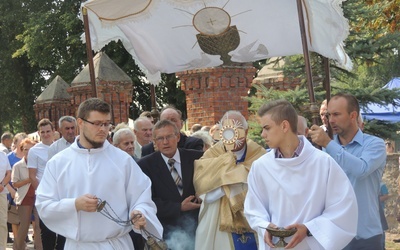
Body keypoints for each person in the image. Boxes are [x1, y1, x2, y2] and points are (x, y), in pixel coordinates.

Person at [35, 98, 163, 249]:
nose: (103, 129)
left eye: (106, 123)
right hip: (78, 246)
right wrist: (74, 204)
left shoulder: (123, 161)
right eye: (97, 124)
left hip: (117, 244)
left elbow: (142, 196)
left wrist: (140, 212)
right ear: (80, 123)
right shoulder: (58, 163)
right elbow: (44, 205)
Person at [244, 99, 358, 250]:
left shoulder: (323, 163)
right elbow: (253, 209)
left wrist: (309, 229)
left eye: (267, 128)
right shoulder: (261, 166)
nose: (263, 134)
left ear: (284, 126)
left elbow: (343, 208)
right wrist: (264, 226)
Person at [309, 93, 386, 250]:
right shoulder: (325, 150)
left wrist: (329, 144)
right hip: (335, 236)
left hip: (367, 238)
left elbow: (361, 169)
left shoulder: (374, 145)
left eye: (336, 114)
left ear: (353, 115)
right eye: (329, 115)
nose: (331, 120)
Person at [193, 110, 266, 250]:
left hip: (254, 218)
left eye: (236, 129)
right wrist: (230, 183)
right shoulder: (212, 155)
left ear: (246, 130)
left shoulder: (259, 154)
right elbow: (205, 194)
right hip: (218, 221)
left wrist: (236, 178)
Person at [138, 119, 203, 249]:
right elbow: (147, 201)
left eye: (169, 137)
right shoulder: (145, 165)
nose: (165, 142)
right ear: (154, 142)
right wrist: (178, 207)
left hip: (198, 230)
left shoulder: (197, 158)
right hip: (166, 234)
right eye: (160, 138)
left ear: (178, 136)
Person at [27, 118, 56, 250]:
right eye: (43, 132)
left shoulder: (59, 147)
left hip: (61, 193)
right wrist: (42, 192)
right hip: (44, 195)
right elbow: (32, 175)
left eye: (48, 131)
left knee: (63, 230)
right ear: (39, 133)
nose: (46, 134)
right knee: (46, 230)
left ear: (53, 131)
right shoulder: (34, 151)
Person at [12, 138, 42, 250]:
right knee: (24, 226)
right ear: (22, 150)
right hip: (24, 198)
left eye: (31, 149)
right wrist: (29, 179)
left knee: (39, 227)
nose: (28, 152)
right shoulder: (17, 166)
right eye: (26, 149)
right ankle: (18, 248)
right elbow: (15, 184)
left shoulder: (40, 163)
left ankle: (39, 248)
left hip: (38, 197)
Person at [0, 151, 11, 249]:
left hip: (1, 192)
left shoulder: (3, 155)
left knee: (2, 222)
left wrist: (2, 185)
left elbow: (9, 173)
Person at [379, 181, 389, 249]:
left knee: (381, 228)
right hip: (372, 210)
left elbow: (386, 195)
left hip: (380, 210)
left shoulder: (381, 184)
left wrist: (375, 200)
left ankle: (382, 246)